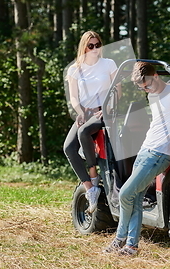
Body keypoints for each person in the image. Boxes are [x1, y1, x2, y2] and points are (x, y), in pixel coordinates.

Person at [104, 61, 170, 256]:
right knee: (136, 197)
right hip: (145, 150)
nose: (146, 89)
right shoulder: (152, 95)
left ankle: (119, 239)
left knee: (125, 194)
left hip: (159, 154)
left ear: (156, 75)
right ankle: (131, 246)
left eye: (147, 85)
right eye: (142, 87)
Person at [63, 31, 117, 214]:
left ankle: (94, 176)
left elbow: (119, 91)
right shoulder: (75, 69)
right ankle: (90, 188)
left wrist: (107, 108)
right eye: (91, 45)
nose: (95, 49)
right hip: (86, 113)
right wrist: (81, 113)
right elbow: (73, 97)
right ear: (84, 47)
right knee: (68, 148)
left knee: (83, 131)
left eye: (98, 45)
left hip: (106, 111)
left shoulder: (109, 64)